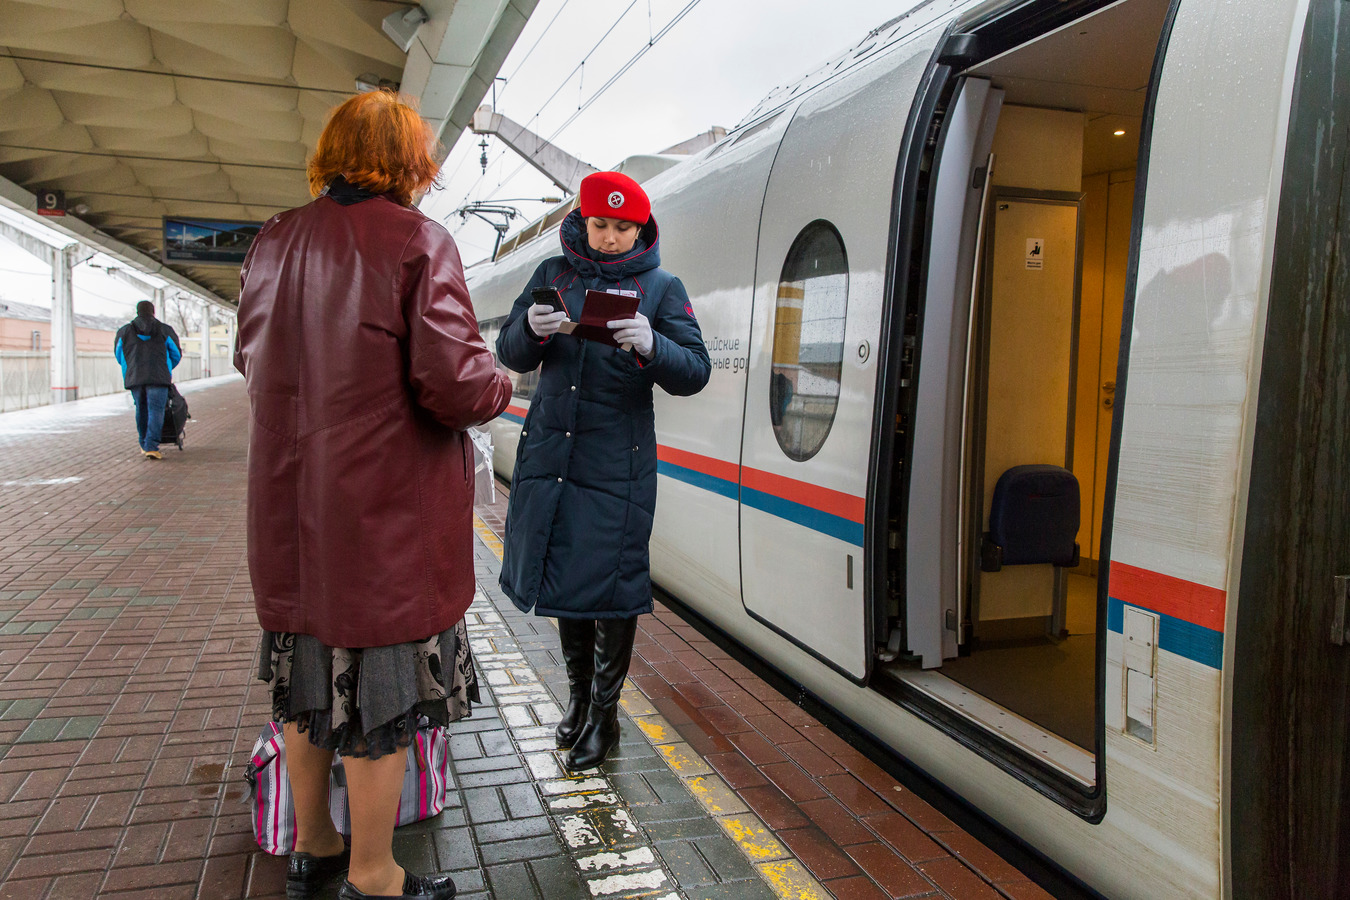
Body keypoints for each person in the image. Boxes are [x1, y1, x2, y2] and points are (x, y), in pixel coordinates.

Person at [235, 90, 511, 900]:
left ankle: (314, 848)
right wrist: (501, 376)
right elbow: (456, 387)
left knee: (306, 684)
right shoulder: (417, 241)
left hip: (290, 514)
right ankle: (375, 875)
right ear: (409, 162)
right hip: (379, 522)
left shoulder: (273, 242)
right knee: (380, 703)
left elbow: (255, 365)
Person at [496, 171, 711, 772]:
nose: (611, 237)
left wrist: (651, 344)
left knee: (611, 590)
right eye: (600, 225)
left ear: (640, 229)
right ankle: (577, 699)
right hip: (553, 457)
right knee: (567, 582)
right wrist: (528, 333)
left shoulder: (663, 288)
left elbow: (694, 371)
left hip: (617, 463)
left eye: (623, 228)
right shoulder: (551, 275)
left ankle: (605, 718)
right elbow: (509, 352)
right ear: (583, 223)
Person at [113, 299, 181, 459]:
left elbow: (119, 355)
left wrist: (131, 369)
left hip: (135, 378)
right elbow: (176, 354)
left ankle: (144, 444)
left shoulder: (124, 331)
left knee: (141, 409)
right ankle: (151, 446)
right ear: (153, 311)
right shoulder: (165, 330)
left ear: (137, 312)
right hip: (159, 378)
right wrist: (166, 368)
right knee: (156, 410)